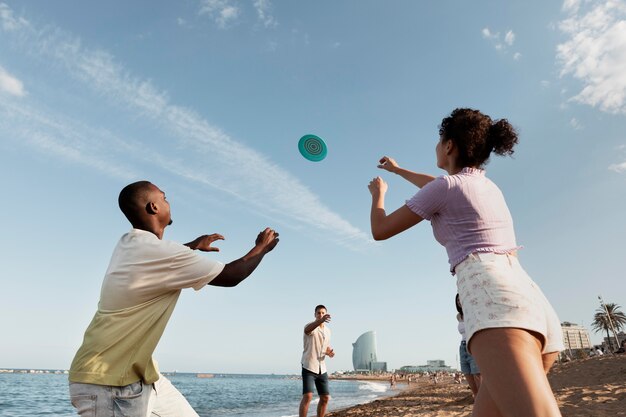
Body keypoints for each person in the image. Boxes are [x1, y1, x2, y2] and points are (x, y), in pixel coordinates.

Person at [367, 108, 564, 417]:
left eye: (438, 140)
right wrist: (399, 170)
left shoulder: (446, 188)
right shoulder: (485, 186)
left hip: (491, 295)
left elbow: (380, 230)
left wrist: (379, 194)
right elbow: (434, 184)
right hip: (529, 297)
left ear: (449, 146)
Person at [68, 180, 279, 417]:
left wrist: (192, 246)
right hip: (107, 381)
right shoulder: (159, 253)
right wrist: (261, 247)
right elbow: (232, 276)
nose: (168, 201)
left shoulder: (129, 243)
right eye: (164, 197)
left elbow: (162, 257)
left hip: (143, 378)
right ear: (153, 207)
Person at [299, 304, 335, 417]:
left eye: (323, 313)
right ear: (315, 315)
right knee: (308, 396)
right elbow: (307, 330)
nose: (321, 315)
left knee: (325, 398)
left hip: (322, 368)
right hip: (309, 365)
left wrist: (329, 352)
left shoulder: (328, 331)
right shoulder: (310, 326)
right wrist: (320, 321)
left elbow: (325, 347)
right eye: (318, 313)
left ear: (326, 314)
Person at [456, 293, 481, 398]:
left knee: (477, 375)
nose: (459, 302)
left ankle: (481, 400)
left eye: (461, 299)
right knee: (467, 374)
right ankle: (476, 398)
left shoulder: (472, 312)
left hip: (472, 344)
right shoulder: (458, 316)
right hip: (462, 347)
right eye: (457, 301)